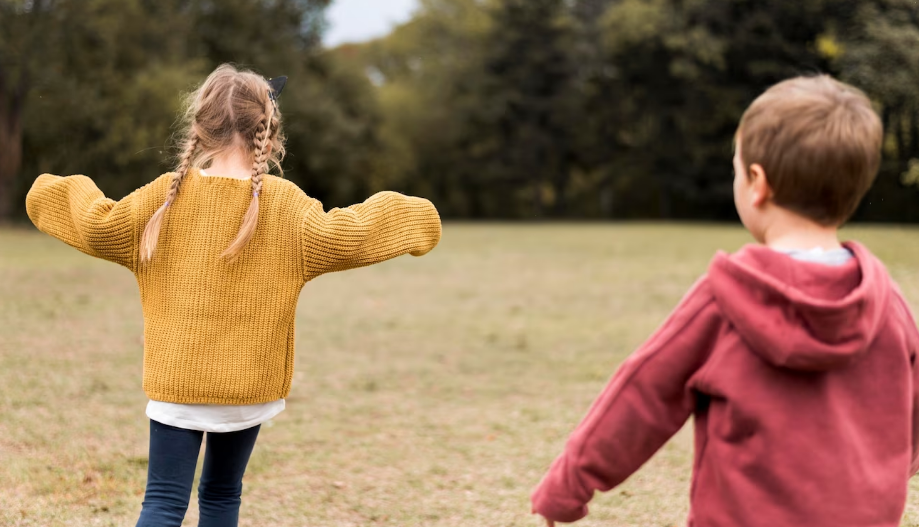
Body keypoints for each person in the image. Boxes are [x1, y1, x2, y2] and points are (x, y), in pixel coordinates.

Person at [25, 64, 442, 527]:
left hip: (177, 383)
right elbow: (349, 234)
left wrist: (48, 191)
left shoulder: (164, 197)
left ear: (200, 127)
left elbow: (97, 224)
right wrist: (417, 216)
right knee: (223, 495)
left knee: (163, 501)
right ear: (269, 129)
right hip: (248, 389)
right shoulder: (287, 206)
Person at [531, 75, 919, 527]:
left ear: (757, 183)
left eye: (736, 168)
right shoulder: (886, 305)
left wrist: (567, 485)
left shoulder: (724, 298)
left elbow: (642, 396)